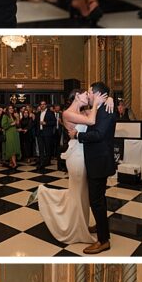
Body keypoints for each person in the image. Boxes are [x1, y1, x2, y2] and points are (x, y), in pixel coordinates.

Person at [32, 90, 98, 245]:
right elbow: (92, 121)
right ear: (76, 96)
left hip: (83, 153)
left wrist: (109, 101)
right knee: (77, 192)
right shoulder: (68, 114)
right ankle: (44, 193)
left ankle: (81, 226)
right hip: (76, 155)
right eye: (85, 94)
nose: (87, 96)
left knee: (82, 194)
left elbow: (95, 113)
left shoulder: (83, 111)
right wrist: (95, 103)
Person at [76, 82, 117, 255]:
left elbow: (99, 134)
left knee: (96, 201)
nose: (89, 94)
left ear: (98, 94)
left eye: (90, 92)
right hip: (96, 160)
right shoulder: (100, 108)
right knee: (99, 199)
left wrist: (79, 135)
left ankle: (103, 241)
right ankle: (102, 228)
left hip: (99, 162)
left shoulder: (106, 111)